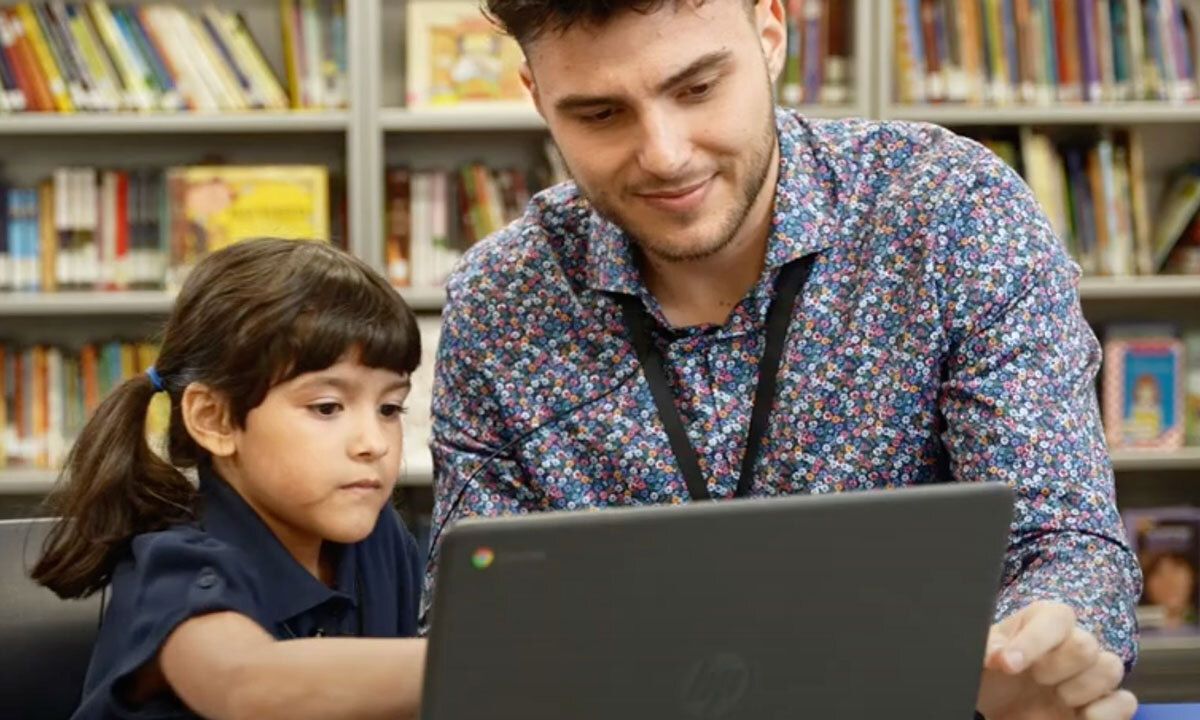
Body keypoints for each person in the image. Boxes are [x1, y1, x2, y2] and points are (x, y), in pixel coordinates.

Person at [425, 1, 1142, 719]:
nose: (666, 154)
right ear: (536, 97)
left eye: (698, 88)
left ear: (771, 33)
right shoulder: (501, 300)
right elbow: (479, 627)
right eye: (600, 115)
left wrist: (1042, 644)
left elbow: (1062, 540)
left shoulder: (950, 211)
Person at [33, 239, 427, 719]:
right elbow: (250, 689)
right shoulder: (172, 564)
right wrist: (485, 664)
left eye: (389, 408)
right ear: (215, 419)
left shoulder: (380, 539)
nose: (375, 443)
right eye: (327, 407)